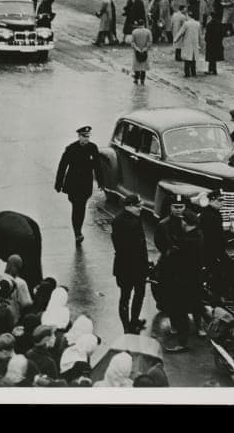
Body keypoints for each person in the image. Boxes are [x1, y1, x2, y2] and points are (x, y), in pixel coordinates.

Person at [161, 208, 205, 353]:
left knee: (180, 312)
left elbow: (175, 260)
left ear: (186, 223)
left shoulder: (186, 242)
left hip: (182, 282)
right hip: (194, 280)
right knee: (195, 307)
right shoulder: (197, 235)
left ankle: (182, 343)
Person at [54, 126, 103, 245]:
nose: (86, 139)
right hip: (73, 184)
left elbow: (97, 166)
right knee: (77, 207)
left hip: (86, 184)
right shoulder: (71, 149)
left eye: (88, 136)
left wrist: (101, 182)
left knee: (81, 207)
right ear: (79, 136)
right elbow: (62, 166)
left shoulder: (93, 148)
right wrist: (58, 183)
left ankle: (78, 231)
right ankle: (77, 232)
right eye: (84, 136)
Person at [111, 193, 148, 334]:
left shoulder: (129, 218)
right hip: (130, 266)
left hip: (126, 266)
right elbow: (129, 247)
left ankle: (132, 322)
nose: (141, 209)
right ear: (129, 206)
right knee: (130, 295)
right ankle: (129, 325)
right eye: (138, 206)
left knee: (131, 295)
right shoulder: (126, 222)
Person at [175, 8, 202, 78]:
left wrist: (175, 40)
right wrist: (200, 43)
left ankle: (187, 73)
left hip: (188, 43)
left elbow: (180, 33)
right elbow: (200, 35)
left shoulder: (186, 24)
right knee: (193, 59)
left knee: (187, 59)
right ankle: (193, 72)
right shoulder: (198, 24)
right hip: (195, 43)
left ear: (188, 16)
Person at [131, 18, 152, 86]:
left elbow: (132, 42)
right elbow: (150, 42)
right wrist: (145, 48)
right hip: (144, 51)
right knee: (143, 67)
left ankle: (136, 79)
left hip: (137, 51)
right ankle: (142, 81)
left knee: (137, 66)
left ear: (137, 24)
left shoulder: (134, 32)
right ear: (144, 24)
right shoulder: (148, 31)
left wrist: (137, 49)